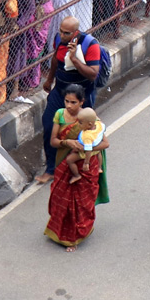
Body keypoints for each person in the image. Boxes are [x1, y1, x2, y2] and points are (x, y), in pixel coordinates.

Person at [44, 85, 110, 250]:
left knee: (80, 203)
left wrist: (85, 148)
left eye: (73, 102)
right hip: (64, 162)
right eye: (66, 101)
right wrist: (67, 142)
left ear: (82, 102)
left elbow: (105, 143)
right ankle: (59, 232)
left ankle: (74, 237)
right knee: (61, 199)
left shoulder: (90, 119)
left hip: (86, 167)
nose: (68, 105)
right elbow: (53, 141)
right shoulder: (60, 115)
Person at [37, 16, 100, 184]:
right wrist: (50, 80)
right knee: (50, 125)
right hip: (60, 92)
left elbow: (93, 74)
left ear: (75, 33)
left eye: (66, 33)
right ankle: (51, 168)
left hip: (82, 95)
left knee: (82, 130)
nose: (62, 35)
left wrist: (74, 60)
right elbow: (55, 60)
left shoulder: (90, 44)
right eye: (61, 31)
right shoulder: (59, 39)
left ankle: (81, 164)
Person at [60, 107, 104, 184]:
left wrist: (86, 162)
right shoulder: (99, 125)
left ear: (89, 124)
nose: (78, 124)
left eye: (80, 122)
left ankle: (76, 175)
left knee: (69, 159)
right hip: (97, 148)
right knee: (99, 153)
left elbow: (88, 150)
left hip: (86, 152)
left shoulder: (87, 136)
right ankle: (99, 167)